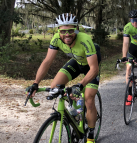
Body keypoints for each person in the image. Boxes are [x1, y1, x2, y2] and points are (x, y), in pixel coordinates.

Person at [27, 13, 101, 143]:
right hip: (76, 62)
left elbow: (94, 69)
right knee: (54, 88)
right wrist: (35, 83)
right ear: (58, 31)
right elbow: (47, 62)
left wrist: (80, 85)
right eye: (63, 31)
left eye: (71, 30)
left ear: (76, 29)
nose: (67, 34)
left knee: (89, 99)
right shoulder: (56, 39)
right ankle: (74, 111)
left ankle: (90, 132)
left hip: (90, 66)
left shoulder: (84, 39)